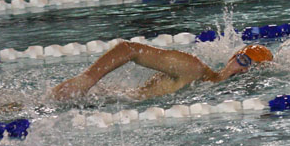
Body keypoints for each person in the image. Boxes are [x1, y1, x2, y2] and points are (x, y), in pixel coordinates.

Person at [51, 41, 273, 101]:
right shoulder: (194, 69)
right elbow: (130, 49)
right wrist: (87, 79)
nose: (243, 70)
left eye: (251, 68)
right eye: (243, 60)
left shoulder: (212, 92)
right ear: (232, 57)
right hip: (97, 100)